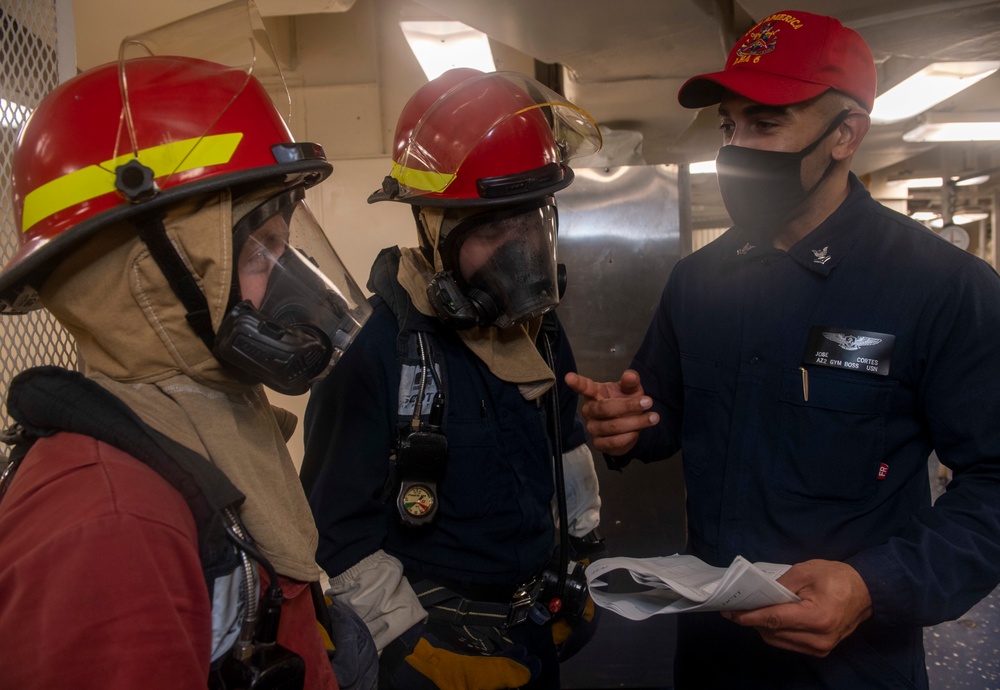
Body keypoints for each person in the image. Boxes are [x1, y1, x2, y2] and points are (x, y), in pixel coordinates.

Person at [566, 9, 1000, 690]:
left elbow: (994, 486)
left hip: (853, 663)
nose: (736, 147)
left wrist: (872, 587)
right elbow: (660, 414)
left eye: (765, 124)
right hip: (713, 652)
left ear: (845, 136)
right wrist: (626, 428)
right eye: (729, 126)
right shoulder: (698, 282)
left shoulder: (942, 289)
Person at [0, 18, 377, 690]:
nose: (286, 284)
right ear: (147, 274)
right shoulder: (111, 523)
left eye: (283, 245)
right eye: (258, 249)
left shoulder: (195, 438)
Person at [300, 68, 605, 690]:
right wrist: (411, 650)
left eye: (530, 224)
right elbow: (337, 529)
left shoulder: (539, 332)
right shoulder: (372, 352)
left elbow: (565, 443)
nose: (518, 250)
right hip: (439, 642)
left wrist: (583, 555)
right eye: (492, 229)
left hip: (536, 624)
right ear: (433, 229)